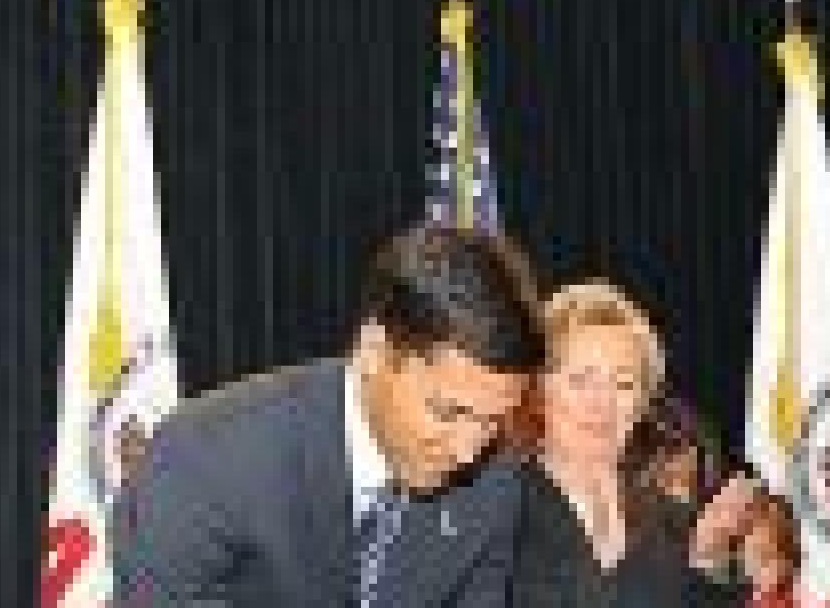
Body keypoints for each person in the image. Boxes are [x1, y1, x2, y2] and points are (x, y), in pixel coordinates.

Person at [111, 224, 548, 606]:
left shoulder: (494, 483)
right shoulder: (204, 461)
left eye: (493, 421)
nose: (468, 451)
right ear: (374, 352)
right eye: (448, 412)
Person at [511, 279, 796, 607]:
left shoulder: (672, 516)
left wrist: (710, 558)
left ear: (643, 403)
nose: (602, 403)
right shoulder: (506, 507)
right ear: (539, 388)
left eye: (623, 384)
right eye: (581, 380)